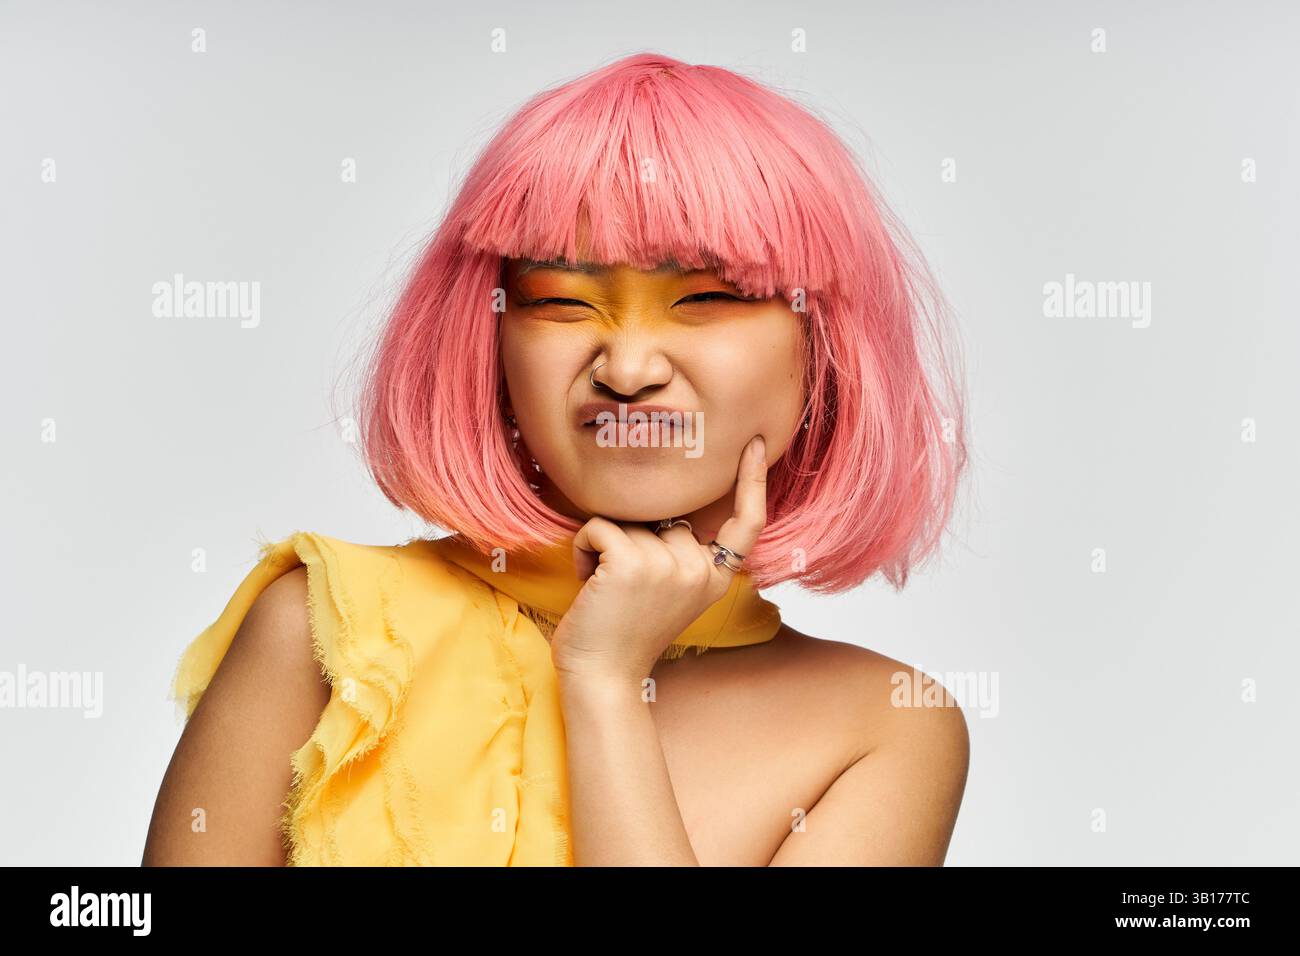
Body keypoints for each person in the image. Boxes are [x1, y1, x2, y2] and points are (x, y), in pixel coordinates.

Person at [143, 51, 971, 867]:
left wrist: (605, 684)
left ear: (824, 342)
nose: (628, 369)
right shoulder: (325, 633)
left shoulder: (887, 727)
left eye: (707, 297)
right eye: (561, 302)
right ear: (489, 336)